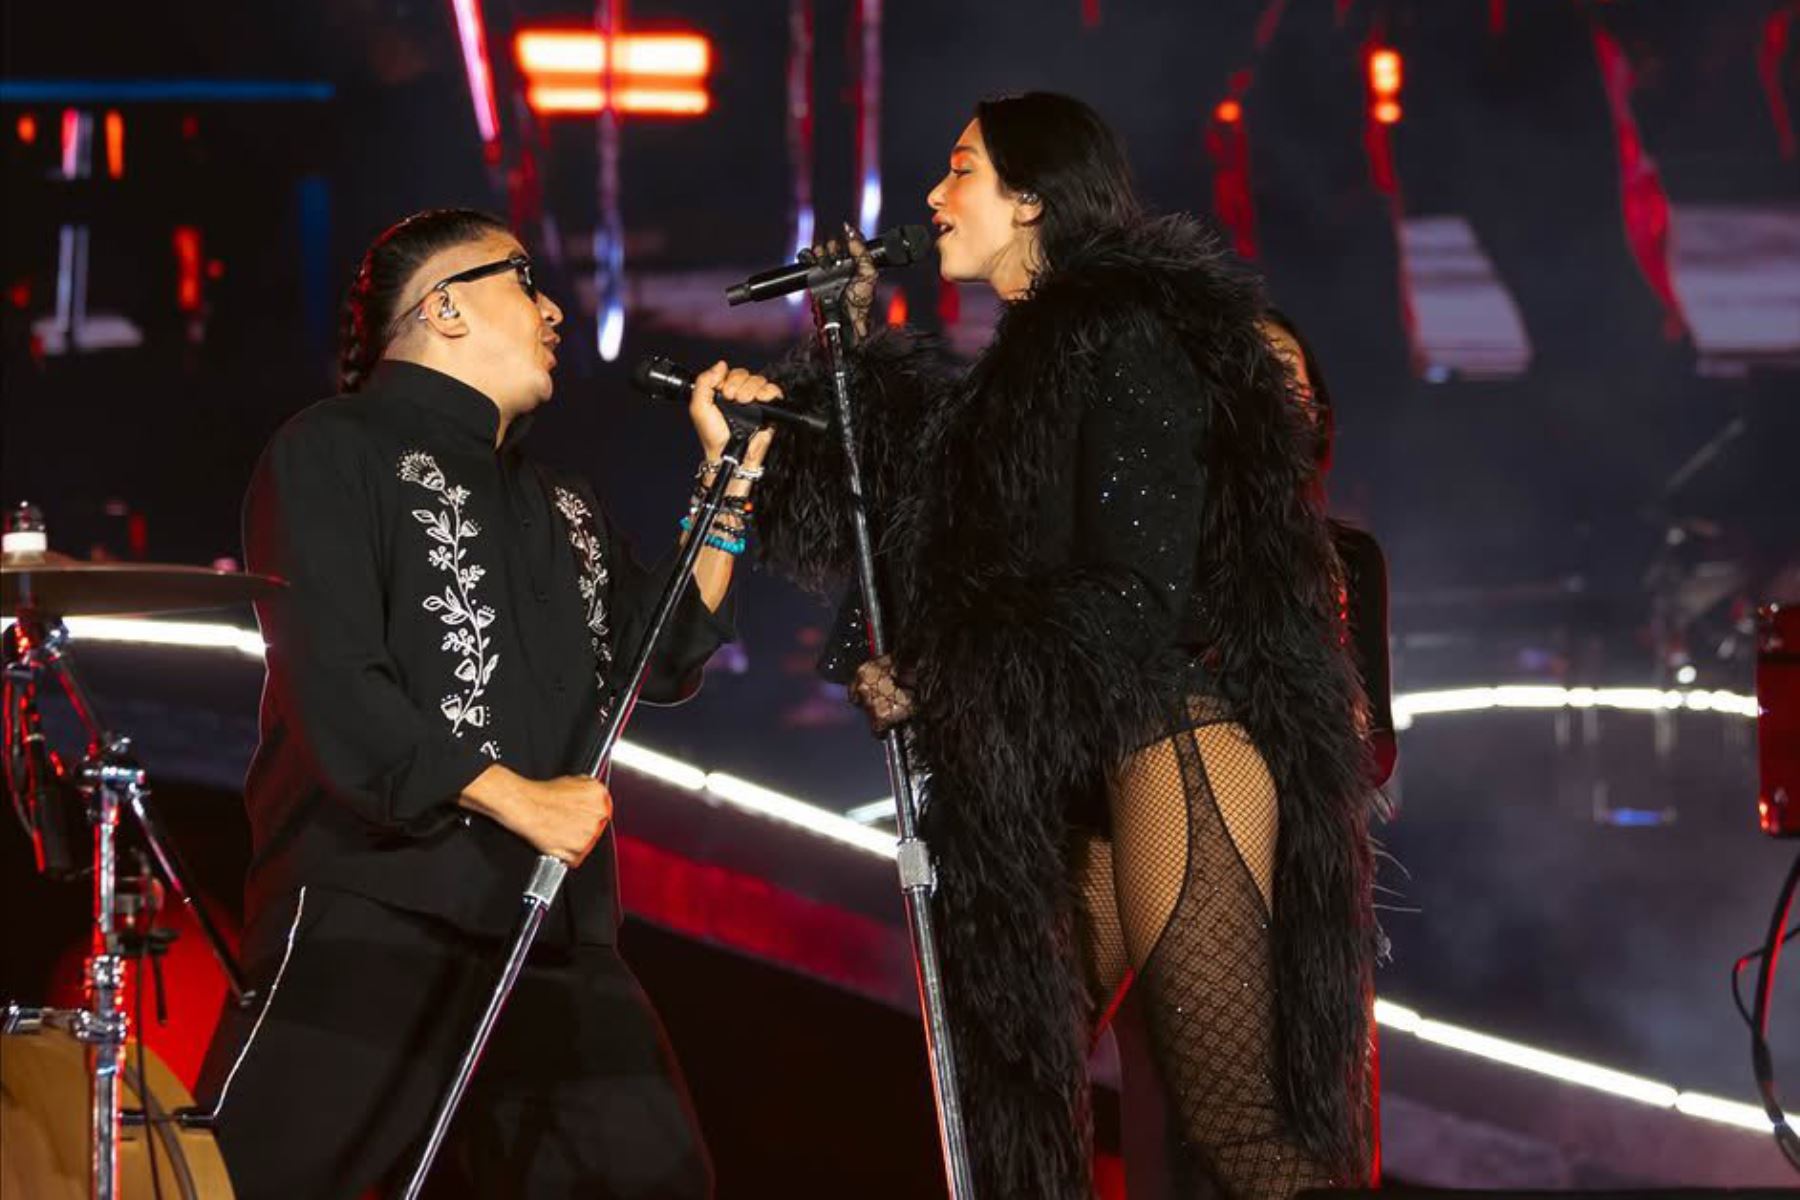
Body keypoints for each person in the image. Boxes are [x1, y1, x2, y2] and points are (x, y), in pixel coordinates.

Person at [715, 93, 1382, 1198]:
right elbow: (915, 525)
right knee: (1006, 1096)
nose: (934, 197)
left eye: (960, 169)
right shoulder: (1022, 369)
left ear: (1030, 198)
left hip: (1179, 737)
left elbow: (1135, 594)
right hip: (1083, 767)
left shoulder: (1117, 327)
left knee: (1241, 1138)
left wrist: (946, 673)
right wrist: (845, 339)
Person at [196, 208, 763, 1199]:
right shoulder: (332, 449)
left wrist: (731, 477)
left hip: (552, 931)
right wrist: (515, 796)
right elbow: (335, 684)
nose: (554, 309)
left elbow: (661, 657)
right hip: (377, 904)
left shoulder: (563, 502)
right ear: (444, 308)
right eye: (524, 279)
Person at [1260, 308, 1397, 788]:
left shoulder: (1353, 557)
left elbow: (1379, 753)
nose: (1275, 378)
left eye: (1284, 361)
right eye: (1254, 362)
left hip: (1315, 823)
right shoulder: (1182, 545)